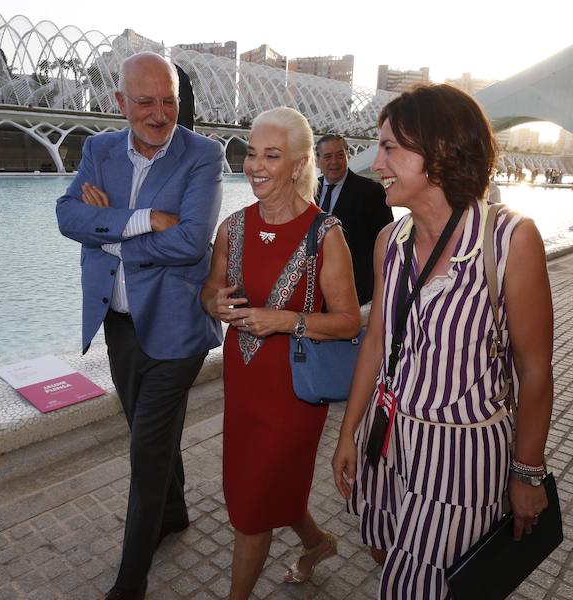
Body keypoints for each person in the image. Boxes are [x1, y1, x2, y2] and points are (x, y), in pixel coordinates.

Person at [331, 84, 554, 599]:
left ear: (438, 152)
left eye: (390, 148)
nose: (375, 162)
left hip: (462, 452)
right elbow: (376, 342)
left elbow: (535, 369)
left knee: (422, 584)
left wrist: (527, 473)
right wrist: (349, 434)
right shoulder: (391, 242)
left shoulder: (510, 240)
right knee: (385, 544)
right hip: (387, 436)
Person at [55, 51, 224, 600]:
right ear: (120, 102)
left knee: (146, 448)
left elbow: (192, 241)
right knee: (147, 428)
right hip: (119, 323)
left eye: (169, 100)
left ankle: (131, 582)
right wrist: (140, 221)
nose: (159, 113)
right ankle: (173, 512)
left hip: (178, 328)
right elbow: (65, 216)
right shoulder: (99, 149)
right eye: (146, 101)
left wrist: (102, 230)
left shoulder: (202, 155)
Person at [201, 107, 361, 600]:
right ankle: (317, 543)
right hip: (245, 388)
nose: (256, 165)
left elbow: (350, 321)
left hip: (294, 394)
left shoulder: (325, 234)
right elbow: (210, 288)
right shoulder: (233, 227)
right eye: (252, 153)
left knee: (252, 509)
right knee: (272, 487)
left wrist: (284, 320)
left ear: (298, 164)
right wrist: (214, 301)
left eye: (272, 155)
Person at [316, 134, 394, 305]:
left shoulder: (372, 192)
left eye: (340, 155)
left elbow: (387, 243)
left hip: (356, 288)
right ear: (317, 161)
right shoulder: (309, 191)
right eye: (328, 157)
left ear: (348, 156)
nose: (334, 162)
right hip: (315, 290)